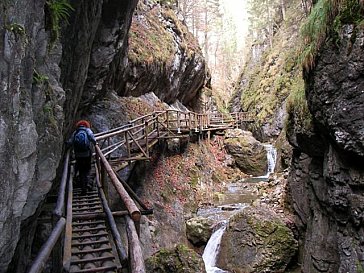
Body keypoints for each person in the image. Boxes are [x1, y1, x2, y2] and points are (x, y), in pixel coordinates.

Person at [67, 120, 97, 195]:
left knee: (81, 172)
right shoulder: (87, 130)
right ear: (86, 125)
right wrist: (95, 143)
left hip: (78, 155)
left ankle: (82, 188)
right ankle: (86, 187)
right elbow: (92, 138)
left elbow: (70, 142)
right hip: (87, 154)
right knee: (86, 171)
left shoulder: (76, 132)